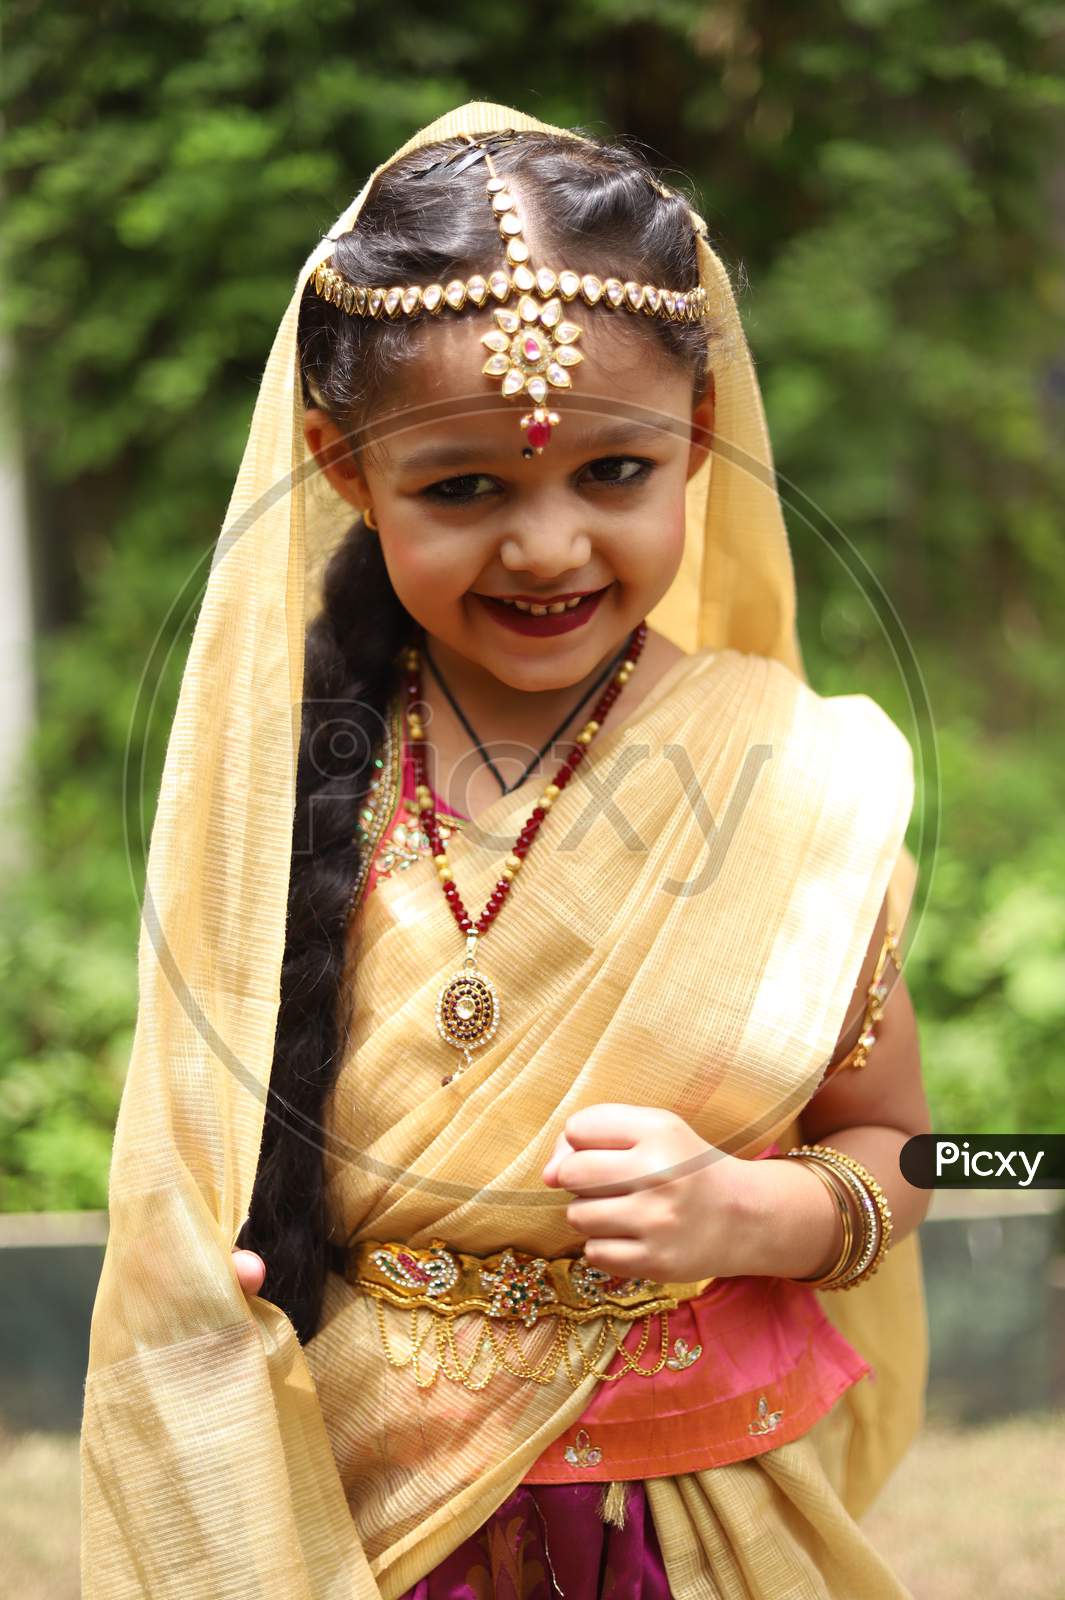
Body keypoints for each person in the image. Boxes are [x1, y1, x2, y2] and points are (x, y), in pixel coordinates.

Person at [81, 100, 932, 1600]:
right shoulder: (273, 789)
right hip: (354, 1517)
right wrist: (209, 1274)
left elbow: (956, 1152)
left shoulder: (795, 778)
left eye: (613, 472)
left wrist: (757, 1212)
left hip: (689, 1535)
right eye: (463, 487)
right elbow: (182, 1166)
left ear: (699, 442)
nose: (546, 548)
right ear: (343, 469)